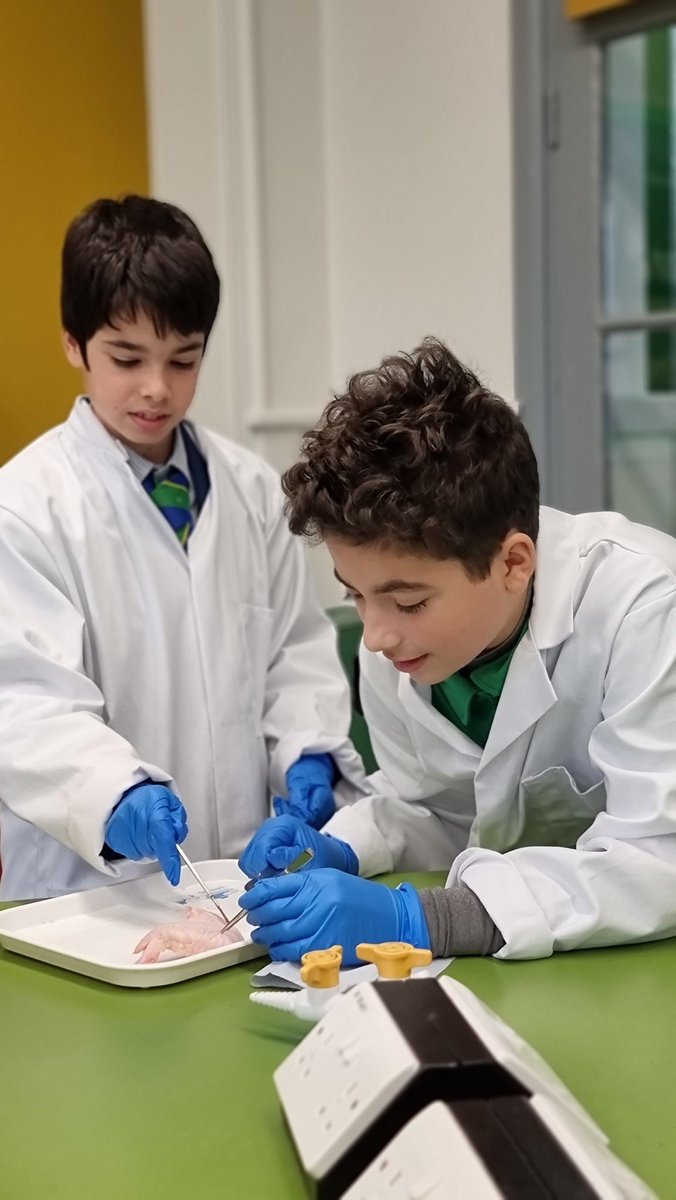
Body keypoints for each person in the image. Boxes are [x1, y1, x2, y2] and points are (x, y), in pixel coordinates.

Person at [237, 336, 676, 965]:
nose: (377, 636)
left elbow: (658, 859)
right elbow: (446, 810)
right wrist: (344, 843)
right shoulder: (397, 648)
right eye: (355, 595)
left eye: (409, 602)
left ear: (514, 563)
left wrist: (424, 918)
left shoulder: (643, 604)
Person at [0, 195, 367, 899]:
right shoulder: (24, 508)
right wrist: (112, 794)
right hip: (86, 897)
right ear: (73, 343)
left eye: (184, 359)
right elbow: (26, 706)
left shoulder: (252, 490)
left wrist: (308, 752)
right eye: (126, 357)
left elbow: (294, 650)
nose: (156, 389)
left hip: (244, 883)